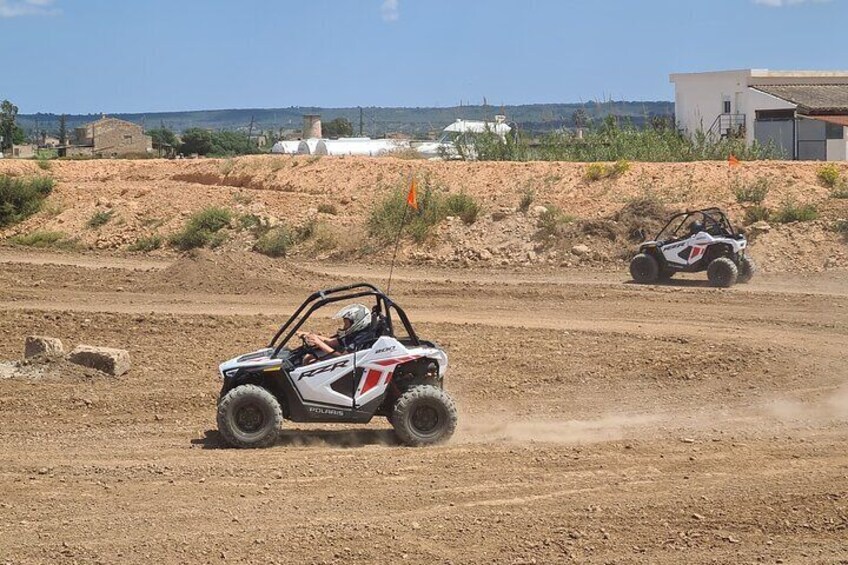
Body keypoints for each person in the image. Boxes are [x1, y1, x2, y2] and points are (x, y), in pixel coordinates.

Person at [298, 304, 373, 365]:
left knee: (312, 362)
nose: (344, 326)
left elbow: (344, 357)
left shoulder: (360, 338)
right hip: (345, 360)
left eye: (346, 324)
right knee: (308, 357)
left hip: (348, 365)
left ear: (357, 323)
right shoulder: (356, 332)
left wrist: (319, 343)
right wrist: (310, 335)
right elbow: (332, 342)